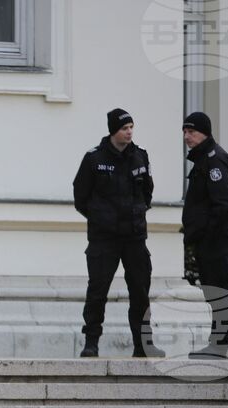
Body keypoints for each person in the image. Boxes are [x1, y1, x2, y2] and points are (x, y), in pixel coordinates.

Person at [73, 108, 164, 359]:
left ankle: (142, 344)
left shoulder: (140, 157)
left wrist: (136, 213)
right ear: (113, 130)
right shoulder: (94, 158)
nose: (129, 132)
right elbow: (80, 196)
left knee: (140, 292)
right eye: (125, 128)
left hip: (134, 237)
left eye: (131, 127)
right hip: (104, 238)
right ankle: (91, 342)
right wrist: (101, 218)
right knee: (97, 291)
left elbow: (147, 192)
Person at [182, 111, 228, 358]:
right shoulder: (203, 160)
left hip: (216, 240)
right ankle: (218, 341)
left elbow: (224, 205)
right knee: (213, 290)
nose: (187, 136)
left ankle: (220, 342)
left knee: (219, 289)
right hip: (209, 239)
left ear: (204, 133)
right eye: (185, 132)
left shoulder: (214, 160)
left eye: (192, 132)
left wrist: (207, 235)